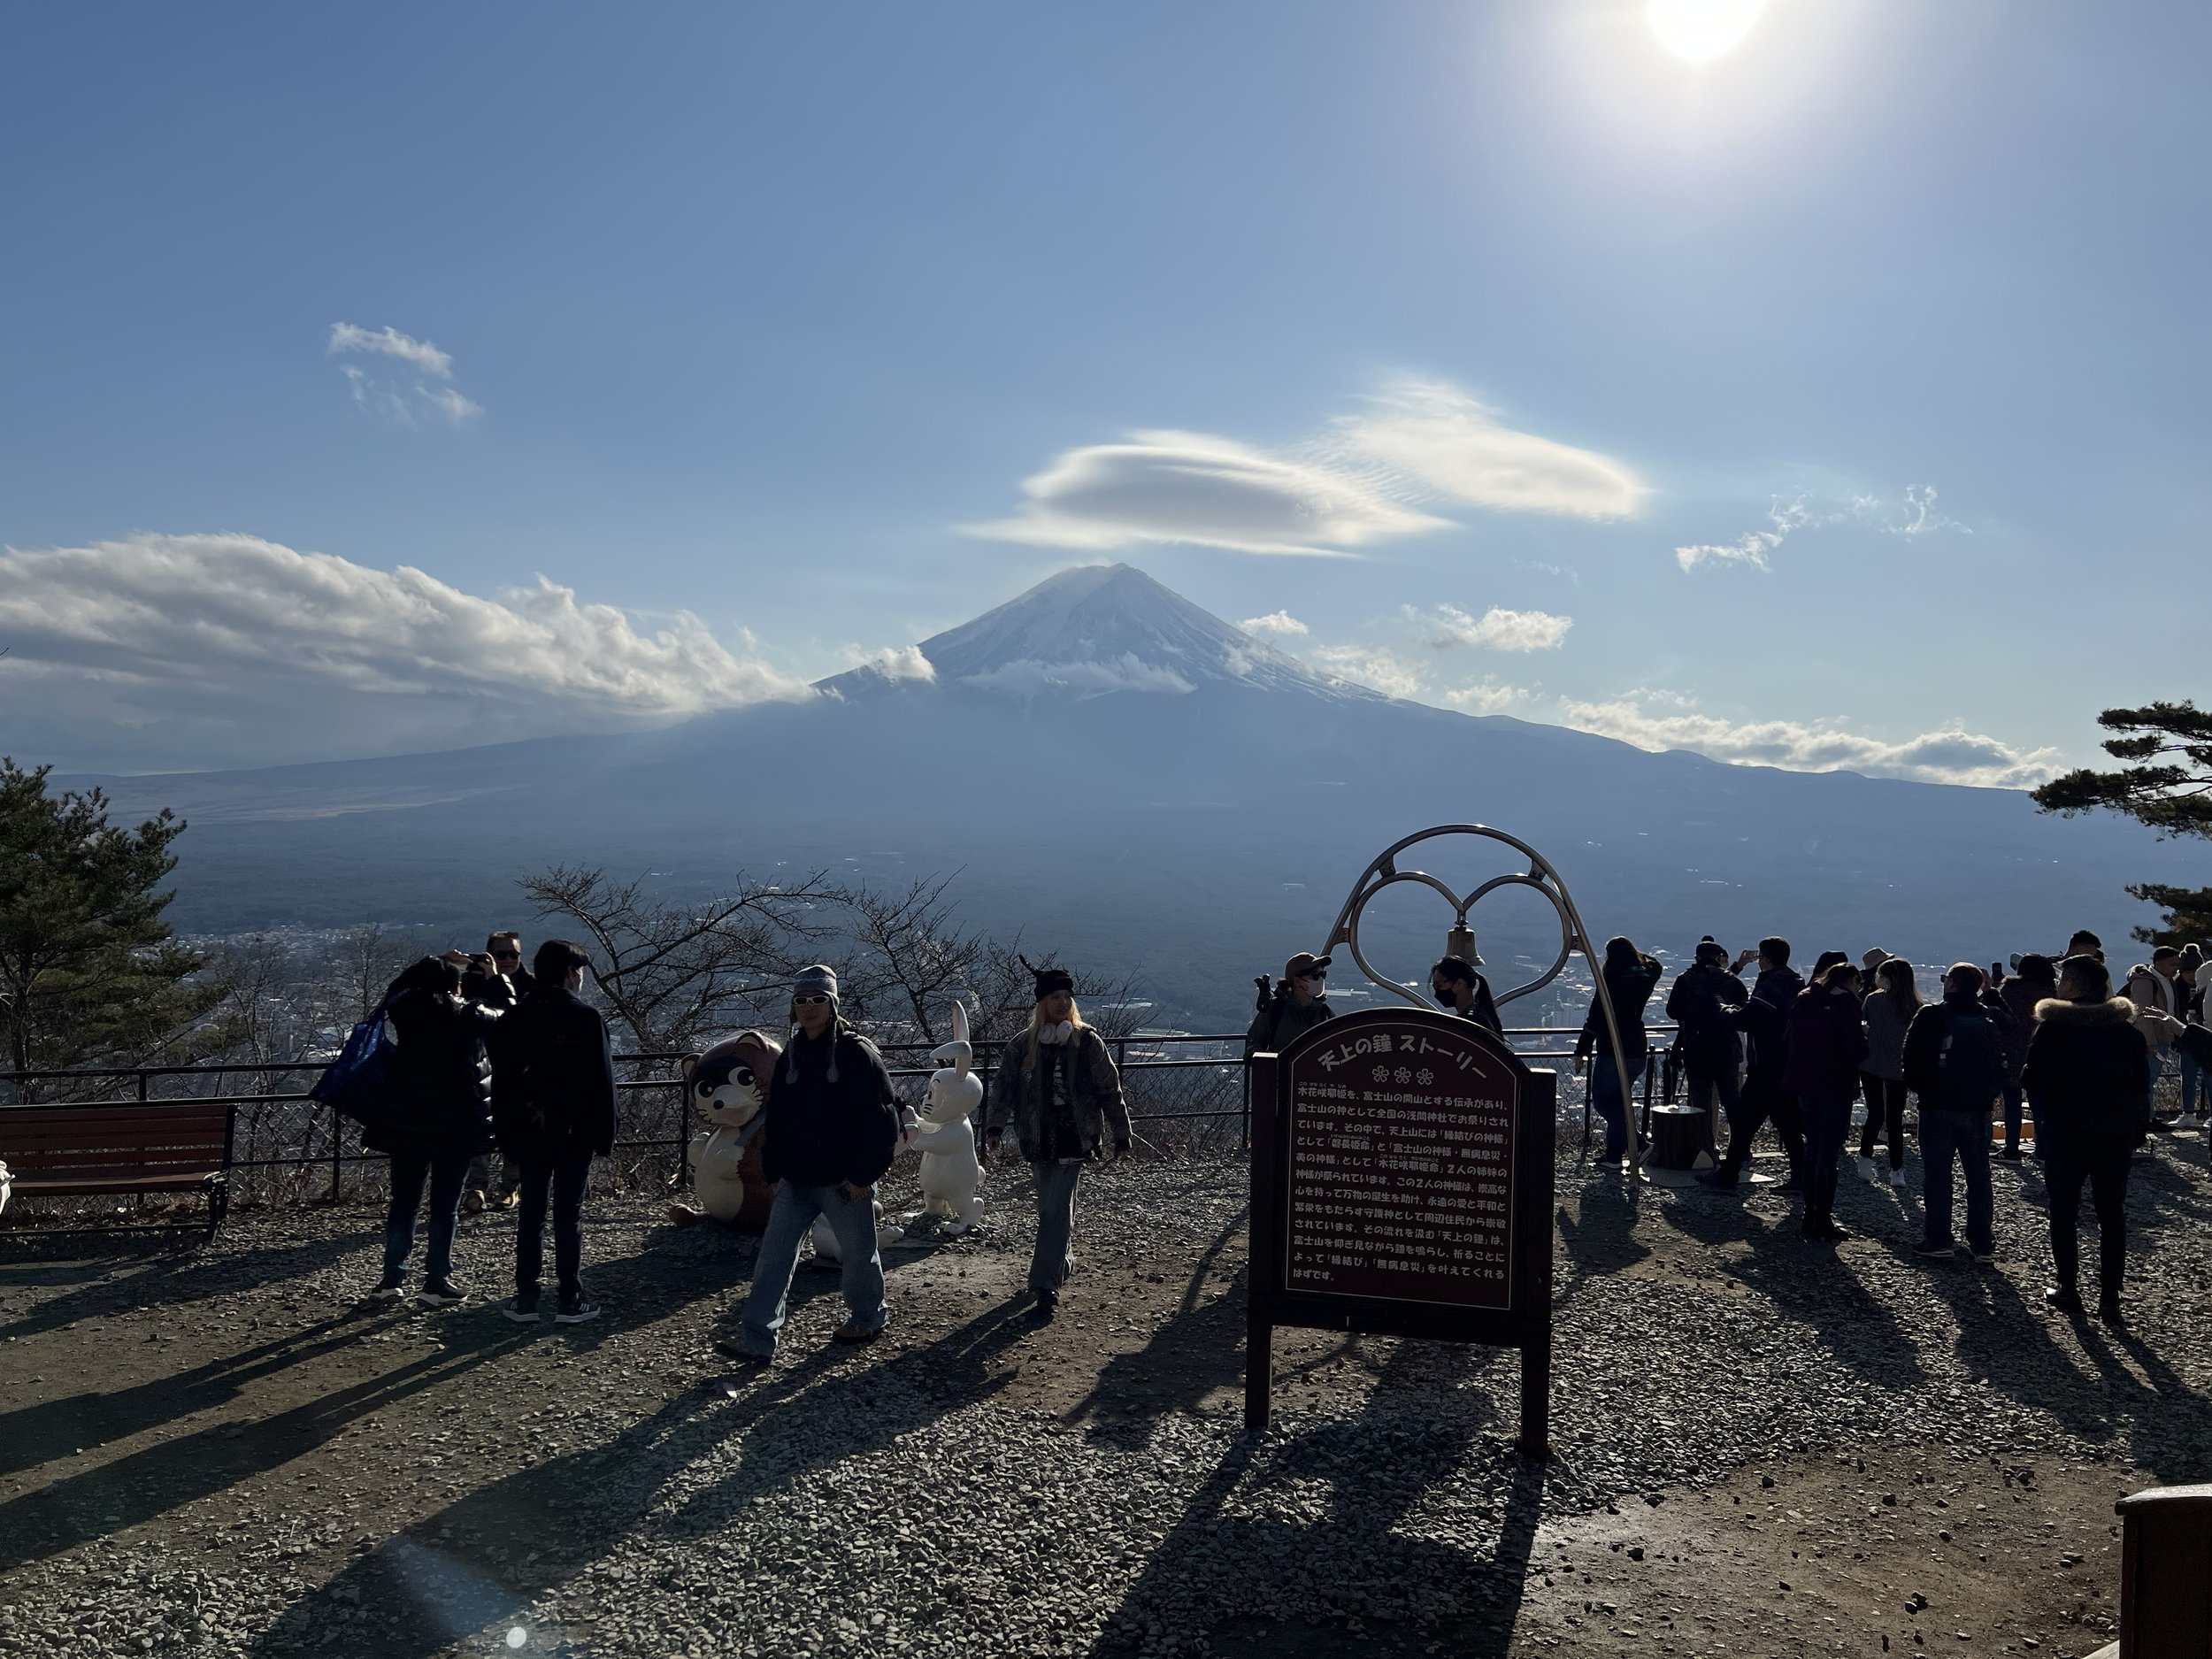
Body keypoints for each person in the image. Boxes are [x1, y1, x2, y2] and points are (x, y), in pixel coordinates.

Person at [722, 965, 903, 1363]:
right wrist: (773, 1171)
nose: (809, 1008)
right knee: (774, 1256)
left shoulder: (857, 1053)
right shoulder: (793, 1053)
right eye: (801, 1000)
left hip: (843, 1179)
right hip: (796, 1178)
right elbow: (778, 1117)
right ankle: (757, 1337)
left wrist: (863, 1176)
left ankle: (868, 1316)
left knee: (858, 1254)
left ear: (833, 1004)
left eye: (818, 999)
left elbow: (882, 1119)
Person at [987, 964, 1133, 1320]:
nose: (1062, 1002)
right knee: (1050, 1208)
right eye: (1055, 996)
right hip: (1036, 1139)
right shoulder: (1022, 1045)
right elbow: (1003, 1088)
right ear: (1042, 1002)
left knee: (1053, 1211)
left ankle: (1044, 1283)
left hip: (1075, 1136)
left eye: (1067, 996)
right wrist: (993, 1128)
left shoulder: (1087, 1042)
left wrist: (1121, 1131)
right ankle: (1062, 1262)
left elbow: (1109, 1088)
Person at [492, 939, 618, 1325]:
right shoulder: (585, 1017)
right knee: (569, 1213)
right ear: (568, 973)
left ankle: (526, 1297)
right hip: (574, 1132)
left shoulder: (514, 1018)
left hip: (528, 1131)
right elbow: (603, 1081)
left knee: (531, 1212)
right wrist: (605, 1134)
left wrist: (505, 1133)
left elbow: (502, 1082)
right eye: (577, 971)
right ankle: (570, 1296)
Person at [2022, 955, 2152, 1324]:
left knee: (2063, 1211)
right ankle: (2110, 1297)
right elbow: (2142, 1086)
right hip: (2115, 1136)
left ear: (2074, 986)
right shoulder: (2126, 1032)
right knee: (2112, 1214)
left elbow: (2032, 1079)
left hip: (2066, 1133)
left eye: (2064, 979)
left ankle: (2069, 1288)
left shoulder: (2054, 1029)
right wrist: (2134, 1131)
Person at [366, 956, 503, 1304]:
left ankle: (391, 1279)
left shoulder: (405, 1011)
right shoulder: (468, 1016)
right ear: (455, 987)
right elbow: (510, 1016)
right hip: (455, 1128)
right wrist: (494, 978)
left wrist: (434, 964)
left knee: (405, 1203)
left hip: (407, 1125)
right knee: (445, 1207)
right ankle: (436, 1281)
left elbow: (396, 988)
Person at [1903, 963, 2010, 1265]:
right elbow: (2011, 1036)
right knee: (1978, 1176)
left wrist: (1925, 1090)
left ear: (1950, 984)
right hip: (1978, 1108)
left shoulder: (1931, 1015)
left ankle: (1939, 1239)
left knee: (1938, 1175)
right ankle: (1982, 1244)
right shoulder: (1988, 1015)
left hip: (1937, 1106)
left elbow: (1910, 1059)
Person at [1700, 936, 1803, 1191]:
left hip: (1766, 1065)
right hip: (1785, 1063)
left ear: (1764, 959)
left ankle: (1728, 1175)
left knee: (1746, 1122)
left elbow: (1750, 1019)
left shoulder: (1771, 985)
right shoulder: (1794, 981)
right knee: (1786, 1124)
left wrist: (1724, 1011)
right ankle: (1802, 1174)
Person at [1781, 959, 1867, 1241]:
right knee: (1828, 1152)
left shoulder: (1805, 998)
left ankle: (1808, 1214)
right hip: (1835, 1084)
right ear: (1851, 981)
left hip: (1804, 1082)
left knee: (1813, 1145)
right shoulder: (1845, 1004)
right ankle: (1822, 1218)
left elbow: (1789, 1036)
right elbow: (1857, 1049)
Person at [1573, 937, 1663, 1166]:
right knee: (1619, 1102)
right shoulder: (1646, 976)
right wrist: (1635, 955)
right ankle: (1614, 1156)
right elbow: (1655, 963)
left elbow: (1596, 1016)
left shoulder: (1611, 978)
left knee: (1603, 1101)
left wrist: (1581, 1048)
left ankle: (1639, 1144)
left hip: (1613, 1047)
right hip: (1637, 1046)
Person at [464, 932, 532, 1213]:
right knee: (479, 1129)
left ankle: (509, 1189)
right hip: (477, 1067)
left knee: (515, 1129)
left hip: (516, 1069)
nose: (507, 960)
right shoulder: (468, 983)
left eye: (512, 954)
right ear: (488, 955)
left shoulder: (531, 985)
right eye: (501, 954)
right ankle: (476, 1188)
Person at [1666, 938, 1747, 1162]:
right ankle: (1741, 1148)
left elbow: (1672, 1010)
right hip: (1726, 1047)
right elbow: (1743, 1005)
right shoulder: (1729, 980)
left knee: (1701, 1102)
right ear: (1719, 958)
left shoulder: (1685, 980)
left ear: (1697, 957)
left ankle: (1704, 1148)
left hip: (1696, 1047)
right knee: (1731, 1100)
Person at [1857, 958, 1918, 1189]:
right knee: (1894, 1118)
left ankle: (1865, 1157)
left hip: (1871, 1064)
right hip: (1896, 1068)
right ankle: (1896, 1169)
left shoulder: (1873, 1001)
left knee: (1876, 1114)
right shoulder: (1913, 1006)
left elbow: (1865, 1026)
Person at [1998, 955, 2056, 1158]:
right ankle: (2042, 1148)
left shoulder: (2009, 990)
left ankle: (2011, 1149)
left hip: (2012, 1049)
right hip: (2041, 1051)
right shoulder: (2051, 992)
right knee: (2039, 1104)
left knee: (2011, 1101)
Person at [2124, 946, 2184, 1114]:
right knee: (2148, 1079)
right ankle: (2146, 1116)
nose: (2176, 968)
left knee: (2152, 1078)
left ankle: (2148, 1115)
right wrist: (2149, 1041)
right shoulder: (2145, 982)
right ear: (2158, 963)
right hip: (2154, 1038)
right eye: (2172, 964)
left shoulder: (2167, 981)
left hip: (2164, 1036)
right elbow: (2142, 1013)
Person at [1245, 952, 1335, 1058]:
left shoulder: (1324, 1013)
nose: (1321, 979)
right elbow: (1253, 1042)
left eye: (1322, 974)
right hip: (1281, 1074)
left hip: (1313, 1074)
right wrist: (1268, 1064)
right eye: (1315, 975)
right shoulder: (1276, 1009)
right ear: (1297, 980)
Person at [1430, 955, 1502, 1033]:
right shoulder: (1480, 1014)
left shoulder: (1470, 1022)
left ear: (1459, 984)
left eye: (1439, 985)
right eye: (1434, 986)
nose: (1437, 990)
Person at [2176, 944, 2205, 1130]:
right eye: (2186, 971)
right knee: (2187, 1076)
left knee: (2209, 1078)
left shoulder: (2206, 987)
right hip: (2186, 1038)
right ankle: (2187, 1112)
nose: (2189, 975)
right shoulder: (2177, 987)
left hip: (2204, 1036)